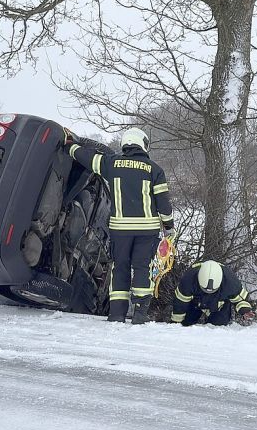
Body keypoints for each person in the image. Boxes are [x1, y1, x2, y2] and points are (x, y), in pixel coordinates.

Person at [65, 127, 175, 324]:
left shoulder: (111, 163)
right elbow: (164, 204)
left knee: (120, 268)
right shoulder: (155, 170)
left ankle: (116, 315)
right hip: (147, 231)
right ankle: (140, 315)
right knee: (143, 268)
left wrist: (70, 146)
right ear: (143, 144)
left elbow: (87, 158)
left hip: (120, 231)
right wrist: (169, 226)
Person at [171, 260, 256, 326]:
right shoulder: (188, 280)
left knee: (218, 328)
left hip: (219, 305)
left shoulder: (230, 282)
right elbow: (180, 304)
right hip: (195, 303)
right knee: (186, 325)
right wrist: (176, 325)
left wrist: (245, 310)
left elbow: (240, 300)